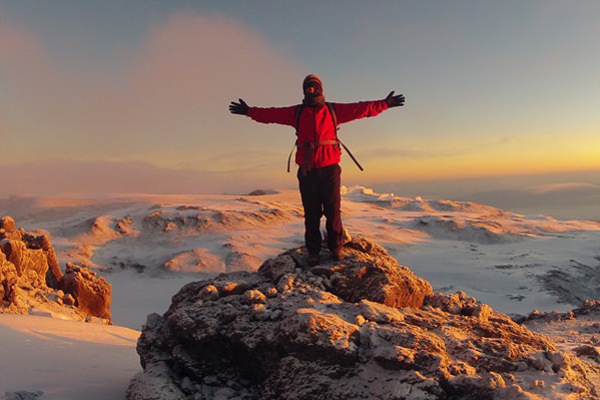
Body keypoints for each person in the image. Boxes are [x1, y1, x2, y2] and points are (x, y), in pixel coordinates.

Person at [229, 74, 405, 266]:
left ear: (320, 89)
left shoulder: (332, 110)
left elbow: (361, 109)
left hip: (330, 169)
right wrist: (249, 111)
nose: (310, 90)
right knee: (311, 213)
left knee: (333, 211)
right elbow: (271, 114)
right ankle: (313, 251)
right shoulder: (296, 112)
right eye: (307, 87)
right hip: (307, 170)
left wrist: (384, 104)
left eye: (313, 87)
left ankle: (336, 246)